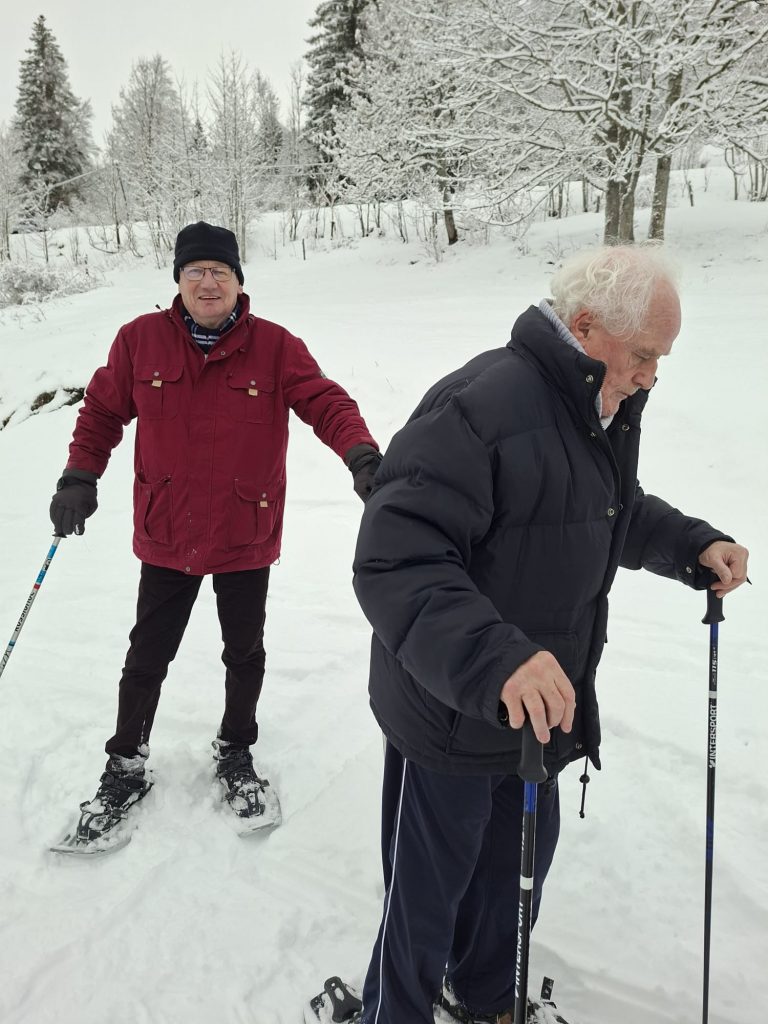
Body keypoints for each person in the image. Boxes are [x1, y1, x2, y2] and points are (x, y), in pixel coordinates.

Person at [346, 246, 749, 1023]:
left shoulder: (595, 405)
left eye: (661, 360)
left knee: (515, 875)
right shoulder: (478, 406)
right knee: (425, 899)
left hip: (537, 709)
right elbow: (396, 558)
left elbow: (605, 512)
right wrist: (500, 659)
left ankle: (489, 997)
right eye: (643, 356)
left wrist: (689, 544)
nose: (651, 377)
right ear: (588, 327)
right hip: (451, 711)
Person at [50, 221, 382, 848]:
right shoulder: (139, 342)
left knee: (244, 652)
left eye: (219, 272)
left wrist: (361, 454)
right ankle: (125, 764)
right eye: (196, 271)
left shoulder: (277, 348)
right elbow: (100, 412)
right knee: (147, 654)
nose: (208, 282)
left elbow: (325, 401)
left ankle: (236, 751)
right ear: (178, 280)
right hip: (167, 530)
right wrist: (78, 476)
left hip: (242, 531)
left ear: (237, 281)